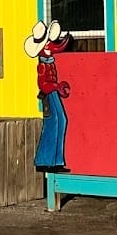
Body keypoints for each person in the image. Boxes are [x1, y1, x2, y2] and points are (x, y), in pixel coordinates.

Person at [24, 19, 72, 172]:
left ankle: (56, 160)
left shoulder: (49, 62)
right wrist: (57, 86)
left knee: (61, 120)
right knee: (54, 122)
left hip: (53, 92)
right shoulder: (43, 65)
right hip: (49, 94)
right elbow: (43, 84)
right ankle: (45, 159)